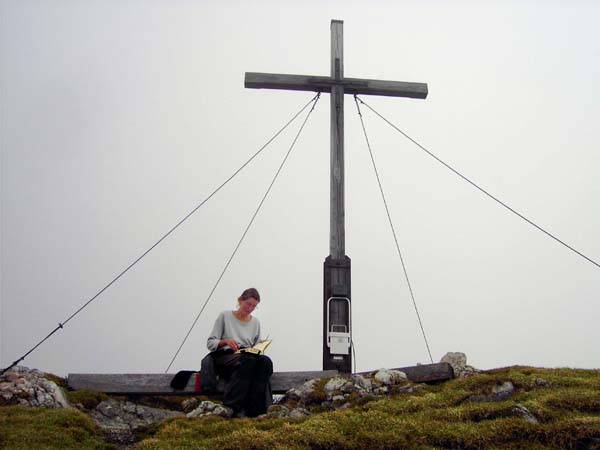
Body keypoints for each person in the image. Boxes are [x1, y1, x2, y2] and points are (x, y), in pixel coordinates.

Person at [206, 287, 273, 417]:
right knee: (247, 361)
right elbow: (210, 343)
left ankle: (256, 408)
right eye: (248, 304)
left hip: (247, 356)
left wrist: (260, 346)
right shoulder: (225, 316)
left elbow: (255, 348)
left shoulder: (255, 323)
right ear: (240, 300)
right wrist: (225, 341)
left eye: (254, 306)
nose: (250, 308)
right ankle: (232, 405)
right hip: (226, 356)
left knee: (265, 362)